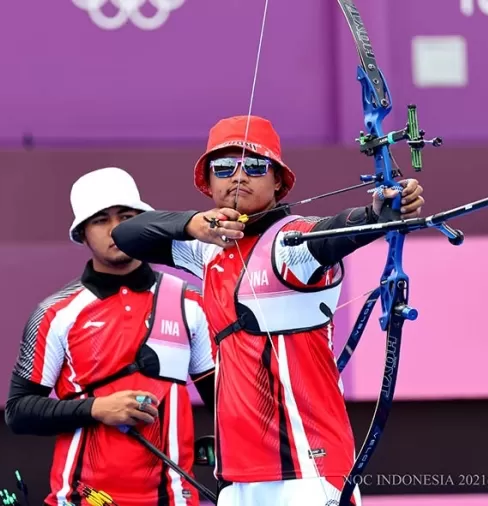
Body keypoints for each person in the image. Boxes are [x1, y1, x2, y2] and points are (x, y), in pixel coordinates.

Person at [111, 115, 426, 505]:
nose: (239, 176)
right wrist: (193, 223)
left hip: (306, 470)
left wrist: (377, 215)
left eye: (255, 166)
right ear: (208, 183)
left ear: (278, 180)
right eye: (224, 167)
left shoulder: (293, 243)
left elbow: (334, 232)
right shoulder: (207, 250)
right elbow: (126, 236)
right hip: (238, 477)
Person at [5, 167, 217, 506]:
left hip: (175, 499)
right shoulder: (55, 312)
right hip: (82, 499)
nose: (116, 229)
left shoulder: (190, 302)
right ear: (83, 235)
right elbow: (18, 411)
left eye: (127, 217)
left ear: (145, 225)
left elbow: (224, 403)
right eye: (101, 220)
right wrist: (96, 409)